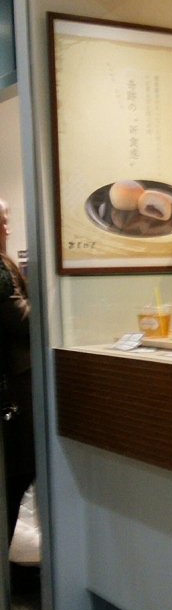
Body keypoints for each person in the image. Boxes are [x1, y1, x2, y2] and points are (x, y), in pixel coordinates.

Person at [0, 199, 35, 543]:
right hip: (12, 388)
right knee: (16, 477)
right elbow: (23, 321)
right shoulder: (0, 269)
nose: (8, 229)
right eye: (4, 221)